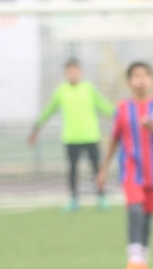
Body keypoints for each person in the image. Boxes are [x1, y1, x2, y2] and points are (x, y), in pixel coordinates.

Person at [96, 62, 153, 269]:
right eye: (136, 76)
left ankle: (142, 264)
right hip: (131, 171)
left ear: (152, 79)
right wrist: (103, 170)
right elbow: (114, 139)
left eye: (145, 75)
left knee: (148, 218)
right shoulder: (123, 109)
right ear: (129, 81)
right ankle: (133, 262)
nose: (141, 80)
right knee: (135, 210)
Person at [28, 59, 115, 212]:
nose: (73, 74)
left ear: (81, 72)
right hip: (71, 138)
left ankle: (101, 197)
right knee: (73, 170)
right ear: (65, 73)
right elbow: (48, 111)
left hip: (91, 136)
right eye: (69, 72)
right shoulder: (61, 91)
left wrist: (121, 115)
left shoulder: (89, 89)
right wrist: (36, 129)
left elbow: (105, 106)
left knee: (96, 168)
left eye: (75, 71)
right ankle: (74, 199)